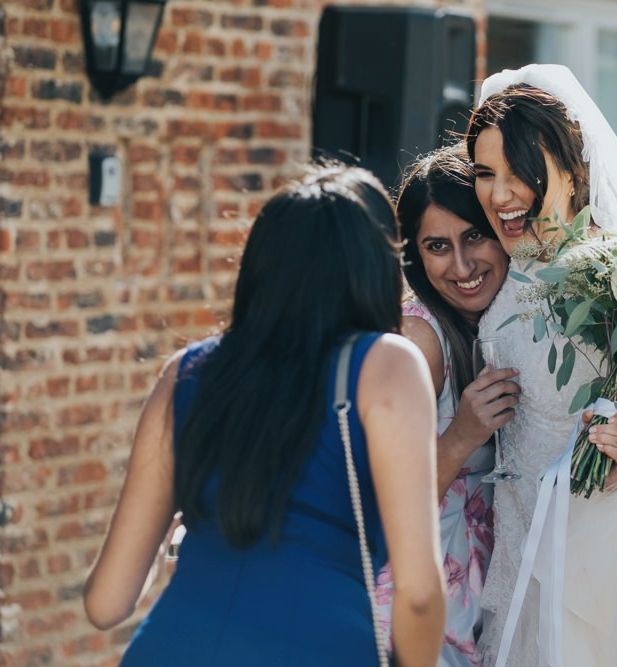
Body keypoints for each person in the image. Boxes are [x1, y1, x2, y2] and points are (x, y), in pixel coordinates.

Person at [83, 163, 446, 666]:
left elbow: (106, 602)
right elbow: (420, 594)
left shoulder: (185, 373)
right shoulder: (388, 365)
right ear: (377, 269)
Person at [466, 64, 617, 666]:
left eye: (520, 172)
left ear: (572, 169)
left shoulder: (606, 271)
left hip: (591, 556)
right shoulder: (503, 267)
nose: (499, 195)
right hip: (515, 550)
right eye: (485, 173)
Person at [375, 145, 516, 666]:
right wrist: (461, 436)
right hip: (416, 612)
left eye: (473, 236)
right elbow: (379, 501)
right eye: (438, 246)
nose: (462, 266)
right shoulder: (418, 341)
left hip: (479, 599)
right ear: (414, 255)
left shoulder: (506, 324)